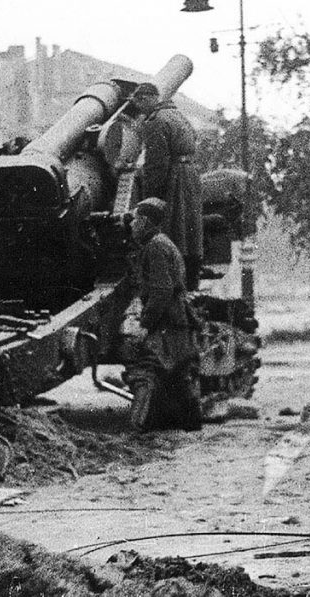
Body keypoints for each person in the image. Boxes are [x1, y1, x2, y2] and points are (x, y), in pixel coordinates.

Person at [122, 197, 202, 432]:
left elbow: (161, 289)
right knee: (177, 372)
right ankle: (191, 424)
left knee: (144, 371)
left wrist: (145, 324)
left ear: (145, 221)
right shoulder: (163, 243)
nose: (132, 224)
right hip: (176, 320)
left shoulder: (155, 247)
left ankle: (137, 427)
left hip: (166, 322)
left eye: (136, 219)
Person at [129, 82, 203, 291]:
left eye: (139, 103)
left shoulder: (155, 121)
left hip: (174, 179)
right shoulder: (176, 114)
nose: (140, 109)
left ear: (146, 99)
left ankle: (175, 283)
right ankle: (191, 279)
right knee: (190, 231)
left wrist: (150, 198)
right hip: (189, 176)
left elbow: (156, 164)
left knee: (174, 229)